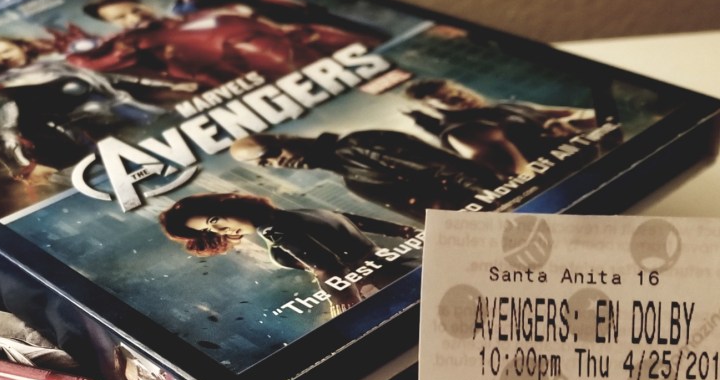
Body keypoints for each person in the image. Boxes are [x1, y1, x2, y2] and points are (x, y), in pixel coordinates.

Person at [0, 35, 168, 201]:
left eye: (6, 50)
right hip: (81, 149)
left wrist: (171, 87)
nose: (3, 57)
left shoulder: (57, 66)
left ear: (22, 47)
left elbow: (114, 82)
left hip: (136, 124)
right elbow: (2, 133)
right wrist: (25, 166)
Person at [159, 192, 419, 314]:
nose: (220, 230)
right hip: (400, 268)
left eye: (214, 219)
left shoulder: (274, 229)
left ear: (229, 204)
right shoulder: (298, 213)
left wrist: (342, 304)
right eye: (209, 229)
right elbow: (355, 221)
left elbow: (327, 266)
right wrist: (404, 230)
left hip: (383, 286)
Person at [70, 0, 382, 92]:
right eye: (121, 17)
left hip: (321, 55)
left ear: (145, 4)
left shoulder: (202, 13)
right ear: (113, 24)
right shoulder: (132, 45)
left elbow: (288, 27)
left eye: (135, 9)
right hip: (275, 85)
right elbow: (90, 62)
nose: (133, 17)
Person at [230, 131, 508, 220]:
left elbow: (451, 169)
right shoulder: (350, 175)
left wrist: (503, 205)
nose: (278, 162)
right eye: (265, 163)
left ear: (284, 137)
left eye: (271, 151)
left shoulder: (357, 145)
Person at [402, 77, 609, 176]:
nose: (462, 98)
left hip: (600, 159)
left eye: (459, 91)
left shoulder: (504, 106)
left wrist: (571, 122)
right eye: (450, 99)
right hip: (574, 178)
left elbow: (588, 115)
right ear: (433, 108)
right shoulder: (462, 132)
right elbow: (520, 175)